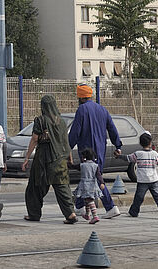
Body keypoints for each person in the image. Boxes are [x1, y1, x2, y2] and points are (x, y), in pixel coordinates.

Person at [68, 83, 123, 218]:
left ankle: (110, 207)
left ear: (80, 97)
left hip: (87, 151)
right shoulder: (102, 109)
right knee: (89, 177)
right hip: (100, 150)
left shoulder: (81, 110)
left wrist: (66, 147)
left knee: (93, 178)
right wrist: (118, 146)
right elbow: (112, 128)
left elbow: (75, 132)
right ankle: (80, 206)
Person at [21, 95, 78, 224]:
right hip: (60, 160)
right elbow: (65, 141)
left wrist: (26, 158)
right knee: (63, 188)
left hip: (43, 160)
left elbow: (35, 139)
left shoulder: (40, 121)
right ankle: (70, 214)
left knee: (35, 188)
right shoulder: (62, 122)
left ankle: (34, 214)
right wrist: (69, 158)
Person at [122, 132, 158, 219]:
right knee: (157, 196)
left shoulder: (138, 154)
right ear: (150, 143)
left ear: (140, 143)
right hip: (153, 179)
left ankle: (133, 212)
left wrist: (119, 156)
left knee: (139, 197)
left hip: (143, 181)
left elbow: (128, 158)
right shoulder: (154, 154)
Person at [73, 148, 104, 224]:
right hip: (93, 185)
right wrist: (102, 183)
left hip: (85, 185)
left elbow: (73, 166)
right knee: (87, 199)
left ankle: (95, 216)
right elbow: (99, 175)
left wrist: (68, 164)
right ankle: (87, 214)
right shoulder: (95, 165)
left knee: (89, 200)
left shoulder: (82, 165)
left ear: (84, 157)